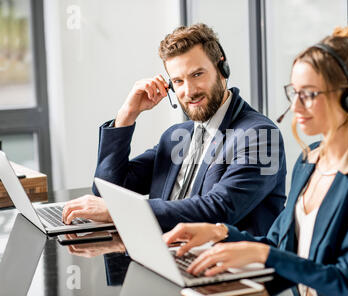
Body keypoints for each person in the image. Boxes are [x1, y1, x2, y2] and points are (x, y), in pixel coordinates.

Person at [163, 21, 348, 296]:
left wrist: (262, 254)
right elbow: (279, 246)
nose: (296, 107)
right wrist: (218, 233)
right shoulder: (310, 160)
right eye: (295, 93)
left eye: (310, 94)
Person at [61, 23, 286, 236]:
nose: (189, 91)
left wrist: (120, 212)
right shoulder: (177, 136)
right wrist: (127, 115)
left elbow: (220, 209)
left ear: (222, 69)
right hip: (166, 256)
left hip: (227, 269)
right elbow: (107, 192)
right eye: (178, 81)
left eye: (197, 74)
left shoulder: (261, 136)